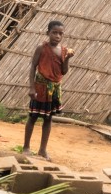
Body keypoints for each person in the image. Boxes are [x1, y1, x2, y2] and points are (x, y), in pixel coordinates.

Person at [22, 20, 74, 160]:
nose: (57, 36)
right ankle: (26, 147)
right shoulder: (41, 48)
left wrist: (68, 59)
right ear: (48, 33)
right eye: (54, 33)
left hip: (54, 89)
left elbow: (63, 71)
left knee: (48, 119)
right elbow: (33, 66)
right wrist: (32, 87)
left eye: (60, 33)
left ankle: (42, 150)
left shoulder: (63, 51)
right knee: (33, 117)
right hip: (40, 87)